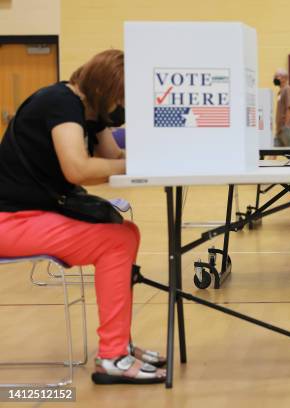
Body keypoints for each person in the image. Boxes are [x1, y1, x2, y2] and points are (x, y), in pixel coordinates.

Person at [0, 49, 166, 385]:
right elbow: (77, 168)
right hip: (10, 220)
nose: (123, 107)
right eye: (121, 98)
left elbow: (112, 157)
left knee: (125, 232)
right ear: (105, 90)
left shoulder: (88, 110)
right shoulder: (60, 103)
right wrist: (134, 164)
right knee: (116, 241)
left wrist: (153, 154)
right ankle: (111, 356)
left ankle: (119, 345)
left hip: (32, 215)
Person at [273, 68, 290, 147]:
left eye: (276, 76)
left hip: (286, 129)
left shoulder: (288, 89)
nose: (274, 79)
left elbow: (289, 108)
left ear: (284, 78)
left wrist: (286, 125)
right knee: (273, 152)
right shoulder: (281, 92)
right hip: (280, 129)